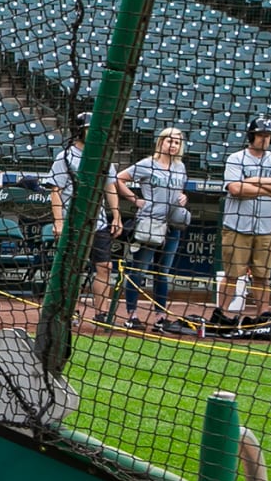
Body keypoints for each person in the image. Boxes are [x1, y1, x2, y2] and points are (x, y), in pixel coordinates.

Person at [115, 128, 193, 332]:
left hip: (172, 225)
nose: (173, 145)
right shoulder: (147, 164)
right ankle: (132, 315)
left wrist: (184, 198)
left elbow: (178, 191)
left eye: (177, 142)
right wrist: (135, 200)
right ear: (161, 142)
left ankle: (160, 317)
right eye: (170, 141)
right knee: (139, 271)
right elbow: (118, 179)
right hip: (150, 224)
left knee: (163, 273)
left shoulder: (180, 167)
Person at [48, 111, 123, 323]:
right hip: (73, 222)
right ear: (80, 130)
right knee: (73, 268)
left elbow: (110, 187)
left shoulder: (103, 155)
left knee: (105, 267)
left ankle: (101, 314)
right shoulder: (66, 156)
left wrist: (116, 215)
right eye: (91, 129)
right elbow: (55, 190)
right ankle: (67, 311)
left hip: (97, 221)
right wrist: (58, 222)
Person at [218, 115, 271, 325]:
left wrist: (254, 181)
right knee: (232, 274)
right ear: (252, 135)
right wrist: (268, 188)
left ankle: (264, 315)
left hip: (267, 226)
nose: (264, 139)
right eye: (260, 135)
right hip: (237, 225)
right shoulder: (236, 158)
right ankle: (221, 312)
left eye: (267, 135)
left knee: (262, 275)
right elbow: (235, 188)